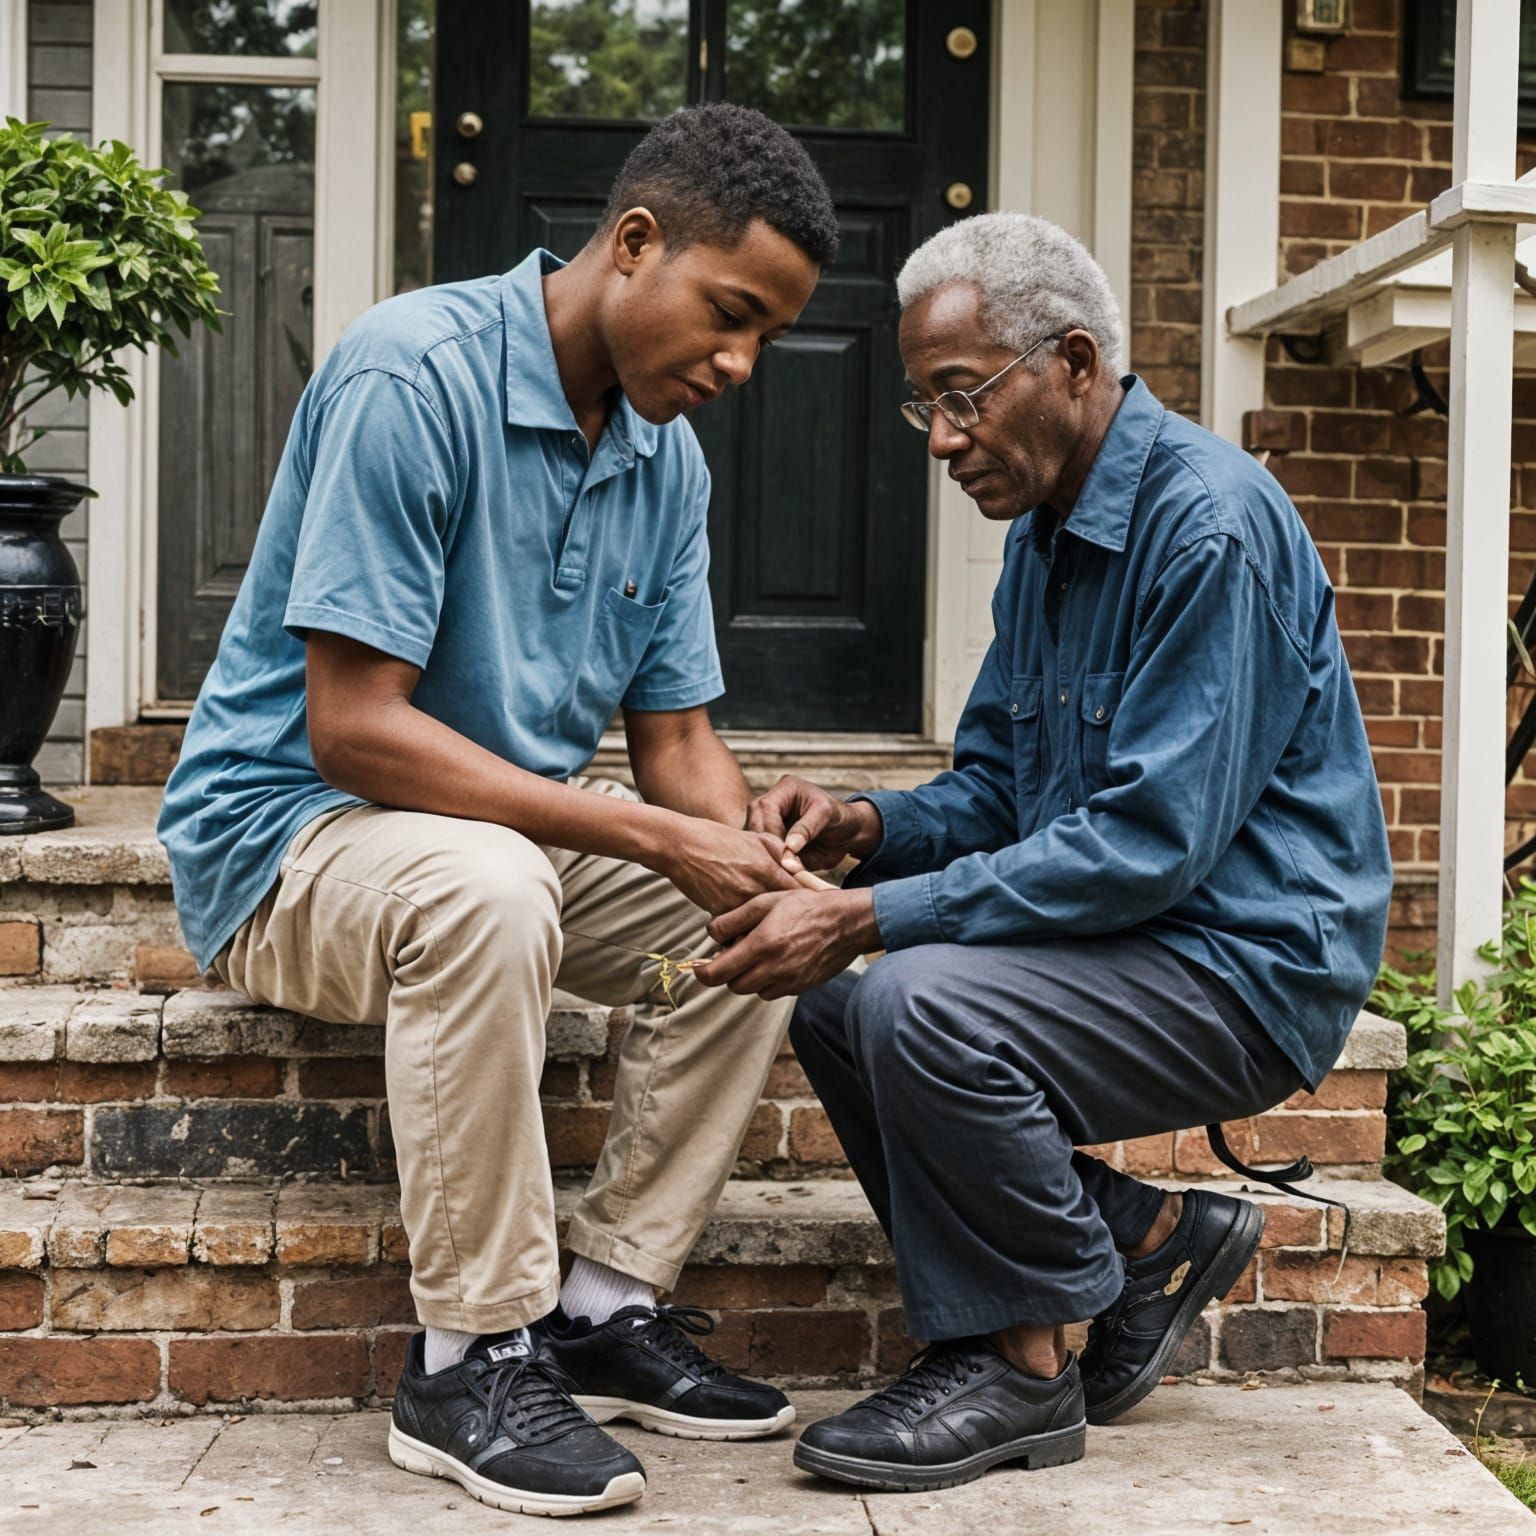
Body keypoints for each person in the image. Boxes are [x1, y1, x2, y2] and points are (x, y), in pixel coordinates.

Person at [157, 104, 839, 1518]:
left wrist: (748, 855)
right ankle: (469, 1357)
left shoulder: (667, 461)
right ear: (633, 242)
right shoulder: (414, 375)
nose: (739, 364)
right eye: (727, 316)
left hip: (493, 845)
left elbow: (681, 742)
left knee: (773, 919)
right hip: (291, 848)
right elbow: (353, 730)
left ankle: (602, 1301)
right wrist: (656, 833)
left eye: (765, 336)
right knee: (490, 885)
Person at [694, 212, 1393, 1493]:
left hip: (1247, 960)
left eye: (961, 398)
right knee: (844, 1012)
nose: (945, 441)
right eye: (925, 409)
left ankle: (1017, 1368)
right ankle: (1134, 1246)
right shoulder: (1045, 541)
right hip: (1138, 936)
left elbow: (1144, 844)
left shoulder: (1209, 529)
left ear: (1073, 360)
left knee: (912, 996)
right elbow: (1008, 791)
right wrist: (865, 826)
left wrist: (864, 916)